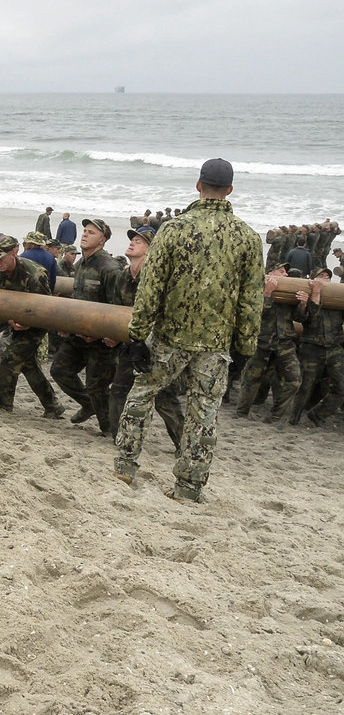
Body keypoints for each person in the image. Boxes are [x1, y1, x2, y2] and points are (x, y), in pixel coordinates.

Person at [114, 158, 264, 502]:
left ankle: (125, 466)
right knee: (204, 413)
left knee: (141, 396)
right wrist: (245, 349)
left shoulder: (173, 230)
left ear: (198, 185)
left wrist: (137, 335)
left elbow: (150, 287)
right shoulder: (248, 238)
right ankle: (189, 486)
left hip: (168, 337)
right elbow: (251, 300)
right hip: (215, 345)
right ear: (230, 190)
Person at [106, 226, 184, 444]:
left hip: (156, 347)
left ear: (151, 250)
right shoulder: (123, 276)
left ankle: (182, 444)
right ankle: (118, 438)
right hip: (129, 344)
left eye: (139, 241)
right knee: (118, 390)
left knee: (164, 398)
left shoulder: (158, 277)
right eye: (133, 239)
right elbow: (116, 310)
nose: (132, 242)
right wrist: (112, 334)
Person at [50, 218, 121, 435]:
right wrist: (68, 324)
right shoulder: (81, 264)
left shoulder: (110, 268)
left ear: (102, 239)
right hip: (78, 334)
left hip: (101, 340)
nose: (85, 234)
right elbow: (77, 298)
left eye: (92, 232)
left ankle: (109, 430)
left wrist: (103, 333)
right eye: (85, 231)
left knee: (97, 386)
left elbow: (117, 306)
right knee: (59, 370)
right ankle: (88, 404)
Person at [0, 235, 66, 418]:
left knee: (9, 359)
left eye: (1, 258)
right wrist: (2, 319)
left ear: (14, 252)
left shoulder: (35, 275)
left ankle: (4, 407)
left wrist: (27, 323)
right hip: (12, 320)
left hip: (35, 325)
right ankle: (53, 405)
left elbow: (44, 309)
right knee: (28, 364)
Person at [234, 263, 302, 423]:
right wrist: (267, 293)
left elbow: (300, 318)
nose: (285, 275)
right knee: (251, 379)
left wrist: (303, 304)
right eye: (281, 271)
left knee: (294, 381)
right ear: (270, 273)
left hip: (285, 343)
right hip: (262, 341)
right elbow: (255, 314)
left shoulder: (290, 290)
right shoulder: (257, 288)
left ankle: (275, 416)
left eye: (286, 272)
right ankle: (242, 414)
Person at [289, 267, 344, 425]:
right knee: (305, 387)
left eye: (328, 276)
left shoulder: (337, 298)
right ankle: (293, 419)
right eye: (321, 275)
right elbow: (305, 319)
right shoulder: (306, 296)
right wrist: (313, 296)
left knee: (341, 388)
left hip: (334, 349)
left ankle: (317, 415)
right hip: (311, 349)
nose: (325, 278)